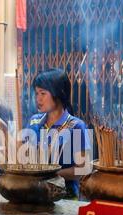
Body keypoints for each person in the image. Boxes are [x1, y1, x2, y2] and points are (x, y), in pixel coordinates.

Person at [26, 68, 91, 200]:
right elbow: (26, 157)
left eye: (43, 93)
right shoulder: (34, 122)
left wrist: (53, 173)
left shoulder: (76, 126)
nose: (38, 98)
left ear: (59, 93)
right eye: (36, 93)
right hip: (34, 193)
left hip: (65, 196)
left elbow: (84, 169)